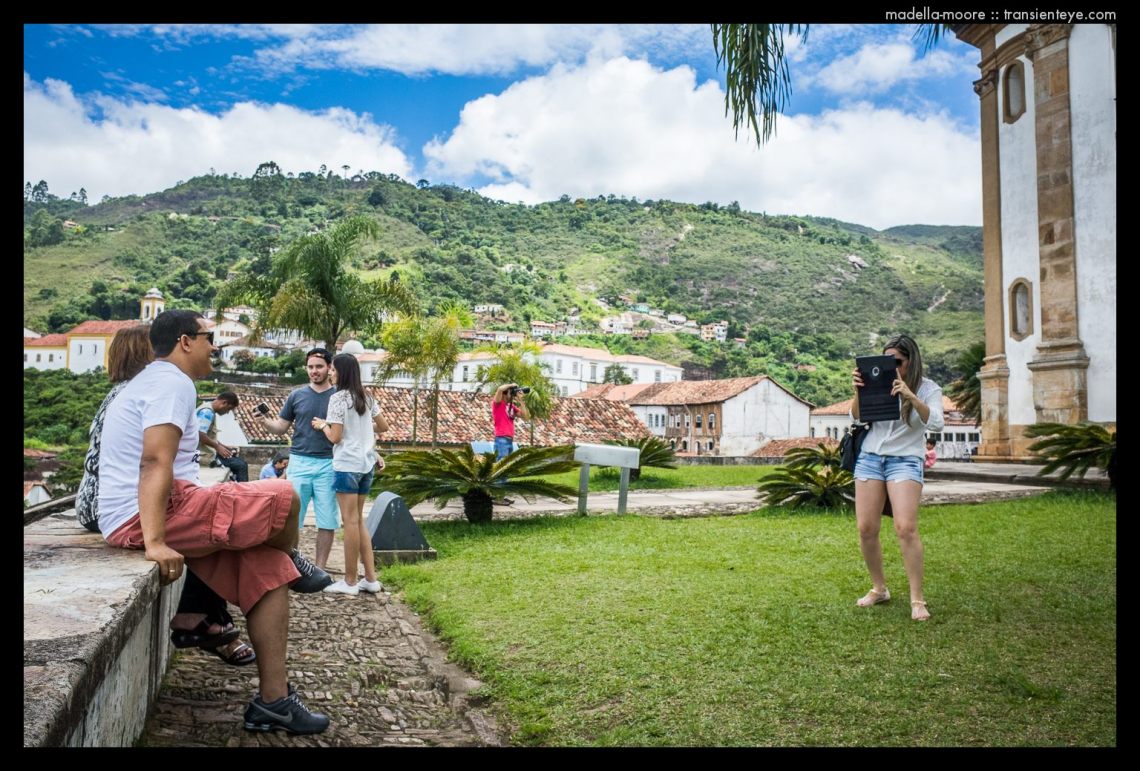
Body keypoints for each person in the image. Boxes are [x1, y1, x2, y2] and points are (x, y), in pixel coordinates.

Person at [98, 310, 332, 734]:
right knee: (285, 494)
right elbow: (154, 461)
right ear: (186, 342)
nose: (216, 347)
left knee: (269, 570)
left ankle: (274, 702)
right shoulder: (171, 381)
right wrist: (154, 541)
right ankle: (293, 556)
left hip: (169, 504)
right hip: (148, 512)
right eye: (210, 338)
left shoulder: (157, 382)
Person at [76, 324, 255, 666]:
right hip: (109, 503)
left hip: (106, 498)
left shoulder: (132, 392)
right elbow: (151, 463)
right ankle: (208, 621)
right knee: (215, 527)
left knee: (208, 520)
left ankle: (207, 620)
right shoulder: (148, 391)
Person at [850, 334, 943, 622]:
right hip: (871, 457)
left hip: (904, 459)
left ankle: (917, 599)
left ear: (910, 361)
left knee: (906, 528)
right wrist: (858, 391)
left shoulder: (928, 388)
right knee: (866, 528)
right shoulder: (877, 382)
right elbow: (855, 417)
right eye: (887, 362)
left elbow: (937, 422)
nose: (892, 368)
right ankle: (879, 588)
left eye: (897, 362)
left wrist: (910, 395)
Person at [312, 354, 391, 595]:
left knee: (350, 523)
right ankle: (370, 578)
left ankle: (349, 582)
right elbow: (383, 426)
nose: (331, 373)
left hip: (347, 465)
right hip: (366, 465)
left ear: (342, 372)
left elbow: (335, 437)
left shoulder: (338, 399)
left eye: (333, 370)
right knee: (359, 521)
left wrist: (323, 425)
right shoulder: (366, 397)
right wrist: (361, 428)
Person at [257, 348, 339, 570]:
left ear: (330, 367)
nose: (314, 371)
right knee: (291, 520)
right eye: (311, 367)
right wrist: (265, 421)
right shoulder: (297, 395)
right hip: (300, 461)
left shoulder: (339, 397)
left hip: (329, 463)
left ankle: (319, 569)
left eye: (319, 366)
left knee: (327, 520)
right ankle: (292, 566)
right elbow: (281, 428)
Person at [197, 391, 248, 482]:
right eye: (229, 409)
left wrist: (223, 446)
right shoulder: (207, 412)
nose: (228, 412)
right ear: (224, 403)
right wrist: (217, 447)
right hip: (203, 455)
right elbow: (200, 434)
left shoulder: (209, 409)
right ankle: (243, 493)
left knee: (237, 460)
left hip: (208, 452)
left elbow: (208, 435)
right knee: (241, 465)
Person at [491, 383, 530, 460]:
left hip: (510, 440)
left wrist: (521, 401)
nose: (512, 394)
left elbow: (525, 417)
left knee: (507, 466)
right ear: (504, 394)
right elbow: (500, 389)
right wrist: (511, 385)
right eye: (510, 392)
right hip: (501, 439)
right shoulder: (498, 404)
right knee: (501, 466)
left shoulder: (511, 407)